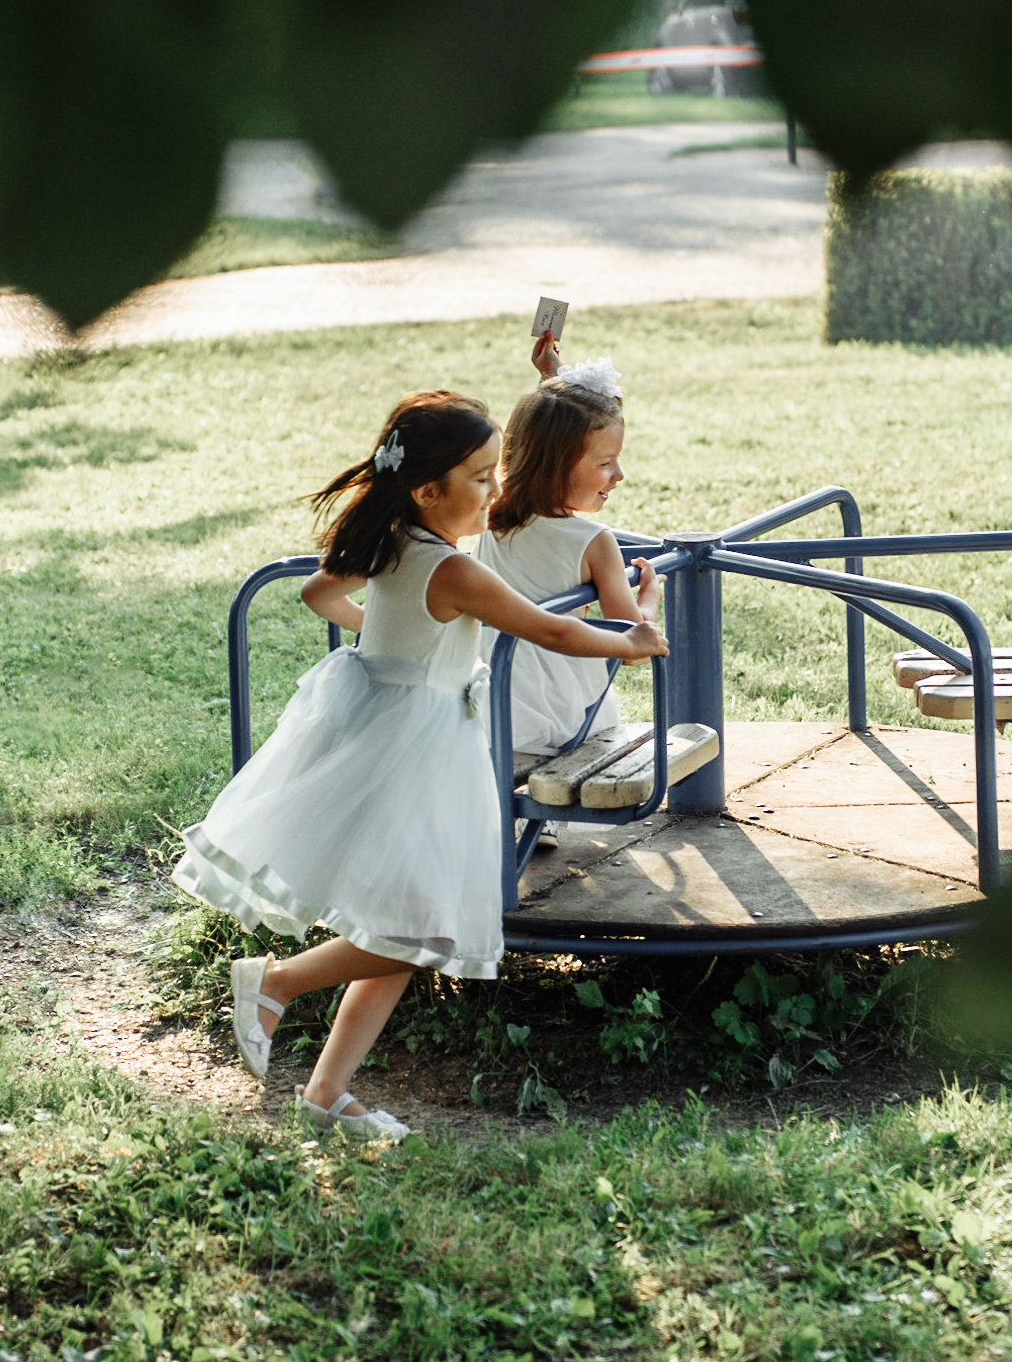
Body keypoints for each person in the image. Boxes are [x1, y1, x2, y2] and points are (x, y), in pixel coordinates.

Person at [171, 390, 667, 1141]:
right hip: (420, 748)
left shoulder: (394, 539)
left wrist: (389, 638)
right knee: (425, 928)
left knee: (401, 925)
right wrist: (634, 635)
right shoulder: (452, 568)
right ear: (427, 489)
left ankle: (327, 1092)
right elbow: (552, 632)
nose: (497, 489)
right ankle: (276, 982)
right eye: (480, 477)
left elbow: (317, 591)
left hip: (386, 726)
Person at [475, 340, 656, 784]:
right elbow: (634, 645)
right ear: (558, 466)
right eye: (606, 463)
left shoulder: (491, 513)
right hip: (565, 719)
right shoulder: (594, 542)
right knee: (595, 702)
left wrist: (552, 376)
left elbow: (543, 428)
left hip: (491, 705)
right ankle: (546, 817)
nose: (619, 475)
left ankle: (535, 821)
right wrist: (651, 593)